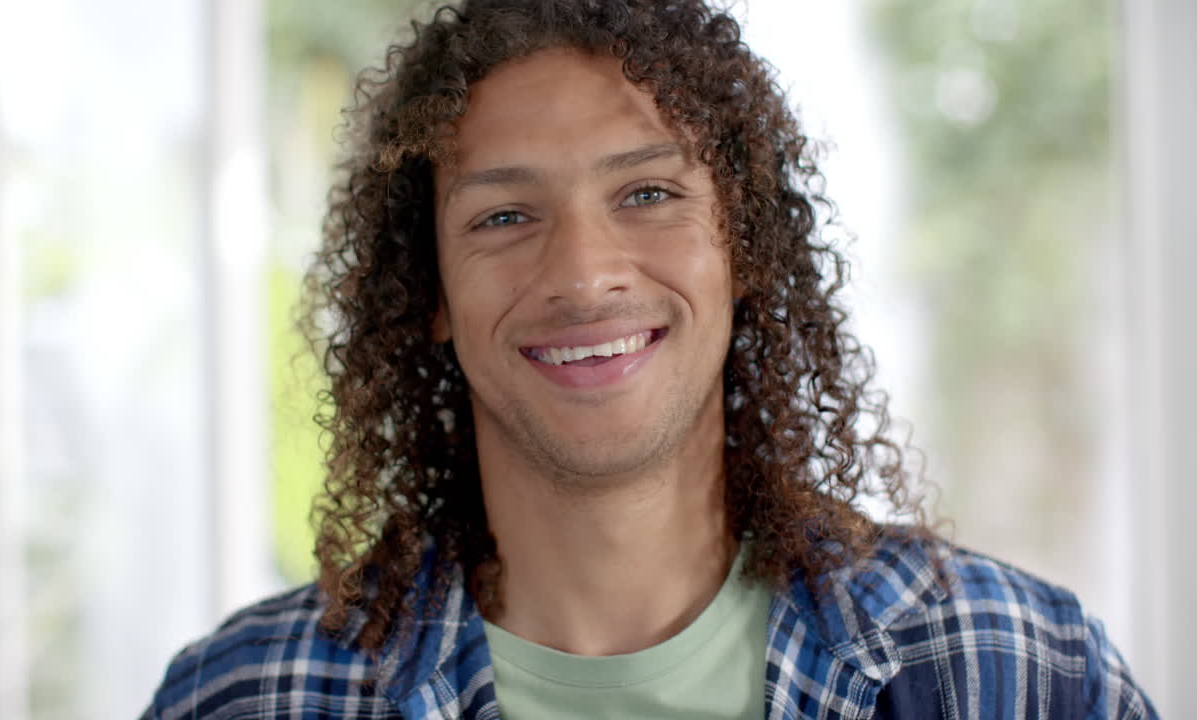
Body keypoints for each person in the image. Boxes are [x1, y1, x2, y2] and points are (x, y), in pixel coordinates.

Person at [143, 0, 1156, 717]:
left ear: (743, 250)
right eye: (502, 215)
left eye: (647, 195)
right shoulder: (244, 697)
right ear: (431, 296)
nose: (583, 275)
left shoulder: (1019, 673)